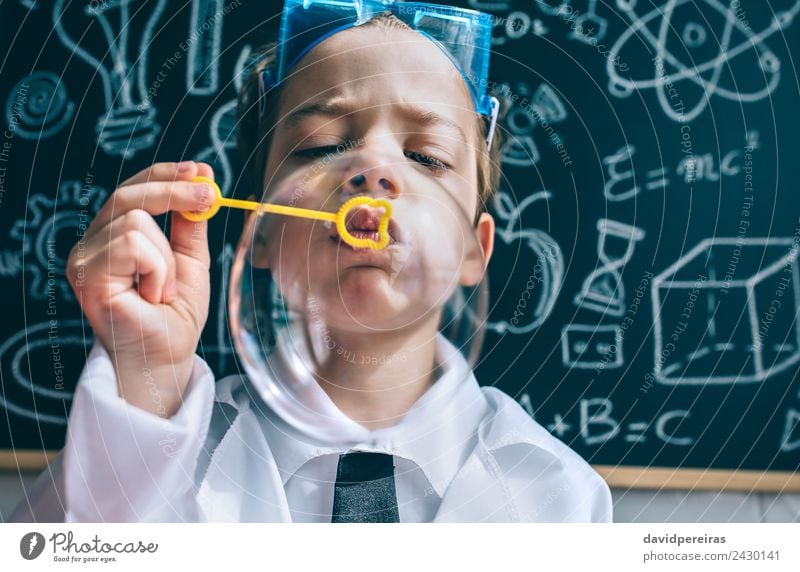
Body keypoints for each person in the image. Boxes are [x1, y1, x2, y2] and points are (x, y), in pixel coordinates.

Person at [12, 0, 612, 523]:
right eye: (323, 146)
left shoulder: (563, 497)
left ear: (471, 251)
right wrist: (144, 378)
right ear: (263, 233)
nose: (373, 172)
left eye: (426, 157)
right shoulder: (144, 432)